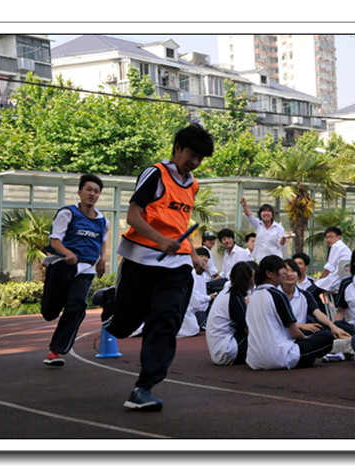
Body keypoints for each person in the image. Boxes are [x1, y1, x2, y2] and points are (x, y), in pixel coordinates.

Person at [103, 123, 214, 411]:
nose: (195, 162)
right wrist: (160, 239)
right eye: (191, 155)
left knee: (166, 321)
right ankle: (110, 302)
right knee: (124, 325)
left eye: (200, 158)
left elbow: (180, 226)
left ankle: (144, 387)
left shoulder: (193, 185)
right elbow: (133, 216)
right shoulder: (155, 174)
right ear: (177, 148)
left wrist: (193, 255)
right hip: (141, 259)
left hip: (176, 266)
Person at [40, 174, 109, 366]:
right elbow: (55, 240)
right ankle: (53, 306)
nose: (92, 194)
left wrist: (102, 260)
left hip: (85, 269)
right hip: (62, 265)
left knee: (77, 307)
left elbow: (103, 242)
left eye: (96, 191)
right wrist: (67, 253)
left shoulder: (103, 221)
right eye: (88, 190)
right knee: (49, 312)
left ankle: (56, 351)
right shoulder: (67, 213)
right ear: (80, 192)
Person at [245, 255, 334, 370]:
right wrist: (306, 339)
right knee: (326, 337)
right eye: (282, 269)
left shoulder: (254, 297)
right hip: (278, 357)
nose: (285, 272)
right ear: (269, 273)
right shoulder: (278, 295)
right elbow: (294, 332)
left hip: (254, 360)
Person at [279, 258, 350, 340]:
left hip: (303, 333)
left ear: (298, 274)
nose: (290, 274)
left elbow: (318, 313)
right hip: (282, 334)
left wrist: (333, 327)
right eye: (286, 271)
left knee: (331, 330)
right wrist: (301, 326)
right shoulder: (274, 295)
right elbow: (273, 323)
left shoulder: (304, 295)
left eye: (293, 271)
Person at [206, 261, 254, 366]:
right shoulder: (235, 297)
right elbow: (247, 329)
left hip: (219, 348)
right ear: (251, 279)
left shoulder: (226, 293)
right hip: (226, 351)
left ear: (231, 276)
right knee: (261, 337)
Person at [240, 197, 292, 261]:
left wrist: (284, 237)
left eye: (269, 211)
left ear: (272, 214)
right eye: (263, 211)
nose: (266, 213)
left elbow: (281, 245)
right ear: (260, 214)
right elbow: (250, 217)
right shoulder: (258, 224)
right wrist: (245, 205)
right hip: (260, 259)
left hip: (274, 260)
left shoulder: (278, 228)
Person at [312, 226, 352, 296]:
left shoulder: (336, 246)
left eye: (331, 237)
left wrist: (319, 279)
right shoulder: (344, 247)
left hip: (335, 280)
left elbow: (329, 268)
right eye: (326, 238)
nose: (328, 240)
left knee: (308, 293)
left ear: (339, 237)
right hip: (343, 281)